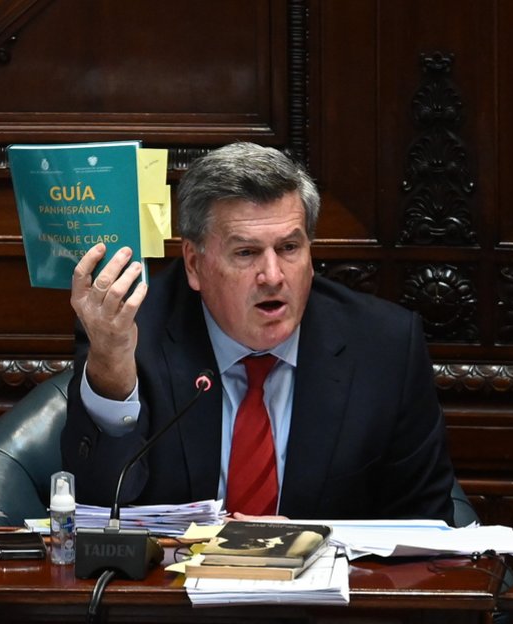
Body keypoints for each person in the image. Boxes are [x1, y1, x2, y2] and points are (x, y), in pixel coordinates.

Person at [60, 141, 455, 522]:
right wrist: (111, 366)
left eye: (289, 248)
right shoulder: (130, 334)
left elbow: (425, 525)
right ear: (194, 264)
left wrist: (311, 541)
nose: (273, 276)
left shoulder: (384, 346)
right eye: (246, 253)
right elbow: (97, 503)